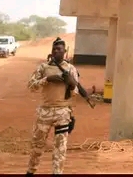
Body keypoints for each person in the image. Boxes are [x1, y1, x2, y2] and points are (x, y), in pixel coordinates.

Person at [25, 37, 94, 175]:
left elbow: (75, 92)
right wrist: (47, 79)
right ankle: (31, 171)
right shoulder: (43, 67)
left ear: (64, 51)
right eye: (54, 49)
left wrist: (70, 83)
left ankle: (57, 173)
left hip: (62, 112)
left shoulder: (70, 68)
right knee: (37, 146)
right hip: (44, 111)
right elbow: (31, 86)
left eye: (59, 49)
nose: (56, 51)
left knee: (60, 148)